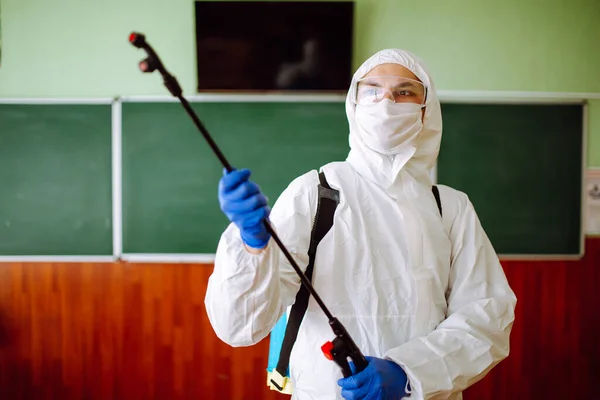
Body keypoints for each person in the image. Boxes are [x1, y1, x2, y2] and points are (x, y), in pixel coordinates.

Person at [204, 48, 517, 400]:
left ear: (426, 109)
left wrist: (409, 372)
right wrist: (251, 245)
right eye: (372, 90)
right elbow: (240, 326)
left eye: (404, 92)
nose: (386, 102)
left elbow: (486, 319)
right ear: (354, 105)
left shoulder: (450, 208)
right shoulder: (316, 192)